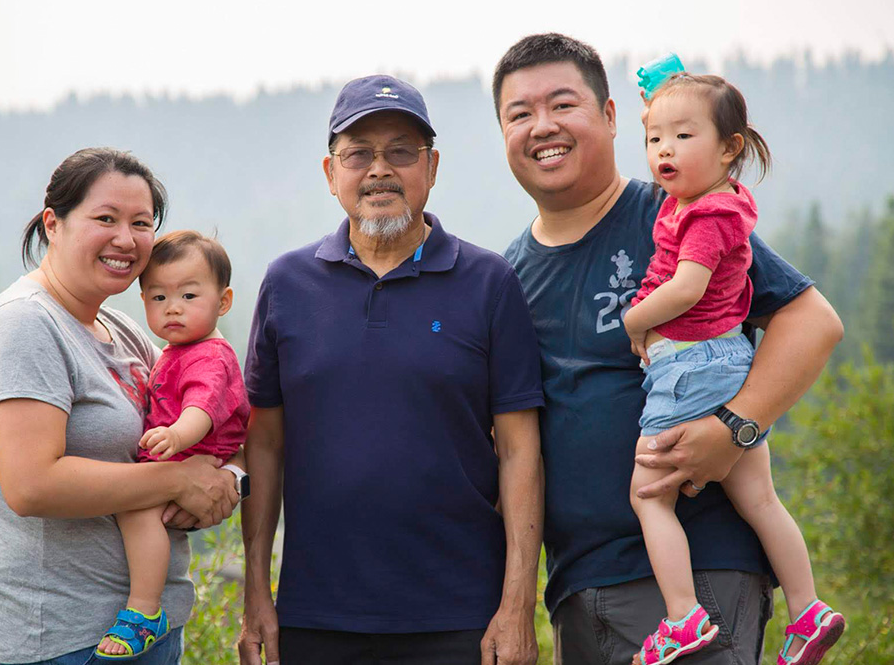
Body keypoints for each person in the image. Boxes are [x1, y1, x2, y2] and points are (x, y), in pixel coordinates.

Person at [493, 34, 844, 665]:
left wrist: (736, 428)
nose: (542, 126)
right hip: (577, 587)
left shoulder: (678, 210)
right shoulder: (507, 275)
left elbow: (811, 323)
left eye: (563, 104)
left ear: (609, 115)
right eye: (520, 114)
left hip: (701, 578)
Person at [237, 75, 545, 665]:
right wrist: (256, 592)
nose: (379, 170)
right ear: (331, 174)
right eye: (358, 154)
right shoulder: (286, 284)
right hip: (314, 615)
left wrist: (515, 606)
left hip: (462, 617)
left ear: (431, 167)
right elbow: (265, 445)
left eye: (401, 151)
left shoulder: (488, 283)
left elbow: (519, 451)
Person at [0, 148, 241, 665]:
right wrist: (178, 481)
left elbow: (214, 412)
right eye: (105, 218)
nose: (125, 238)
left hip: (145, 634)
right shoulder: (24, 326)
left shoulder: (129, 330)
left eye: (140, 222)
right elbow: (32, 485)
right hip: (56, 639)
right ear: (54, 224)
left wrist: (230, 482)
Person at [624, 74, 844, 664]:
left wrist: (635, 320)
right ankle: (808, 609)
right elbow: (689, 120)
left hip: (692, 368)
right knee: (762, 501)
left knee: (649, 495)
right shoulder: (715, 203)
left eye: (683, 136)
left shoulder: (705, 216)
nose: (664, 150)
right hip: (725, 363)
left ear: (730, 149)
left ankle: (683, 617)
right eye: (653, 139)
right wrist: (670, 101)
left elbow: (688, 287)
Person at [96, 230, 251, 659]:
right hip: (180, 454)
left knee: (136, 507)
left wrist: (177, 435)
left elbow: (203, 407)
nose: (173, 309)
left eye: (188, 296)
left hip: (190, 450)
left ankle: (145, 610)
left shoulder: (209, 356)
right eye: (158, 298)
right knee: (139, 508)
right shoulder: (176, 350)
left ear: (223, 302)